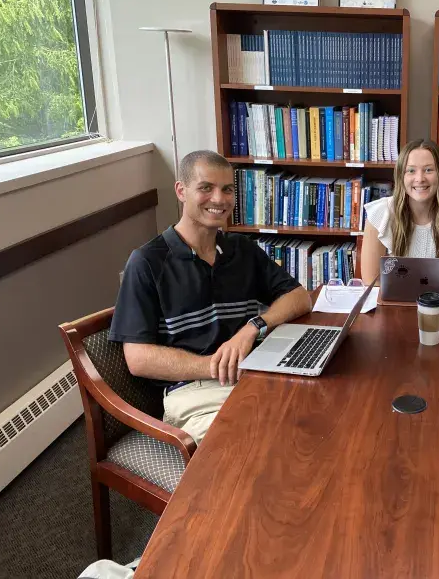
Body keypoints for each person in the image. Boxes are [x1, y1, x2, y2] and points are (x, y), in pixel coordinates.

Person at [109, 151, 312, 445]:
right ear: (182, 191)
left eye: (227, 189)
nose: (219, 199)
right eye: (206, 188)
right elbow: (138, 359)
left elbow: (299, 297)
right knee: (259, 446)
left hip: (253, 376)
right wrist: (218, 366)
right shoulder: (146, 261)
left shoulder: (241, 249)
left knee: (316, 419)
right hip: (193, 391)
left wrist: (253, 326)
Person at [360, 139, 439, 283]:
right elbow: (372, 284)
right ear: (401, 176)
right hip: (391, 305)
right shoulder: (379, 215)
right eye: (411, 171)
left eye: (428, 170)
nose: (420, 179)